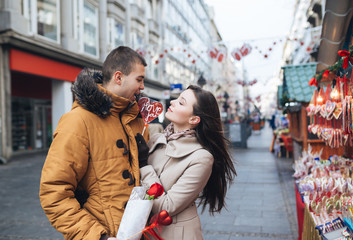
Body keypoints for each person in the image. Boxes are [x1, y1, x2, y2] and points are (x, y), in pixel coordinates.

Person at [39, 46, 149, 240]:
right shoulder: (77, 121)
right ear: (118, 77)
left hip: (137, 231)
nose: (142, 87)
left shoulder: (136, 120)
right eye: (139, 80)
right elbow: (54, 193)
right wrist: (98, 237)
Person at [137, 85, 237, 239]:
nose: (172, 102)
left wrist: (144, 165)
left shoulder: (202, 158)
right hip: (143, 230)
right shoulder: (157, 139)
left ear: (194, 119)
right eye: (177, 98)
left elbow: (167, 206)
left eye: (181, 102)